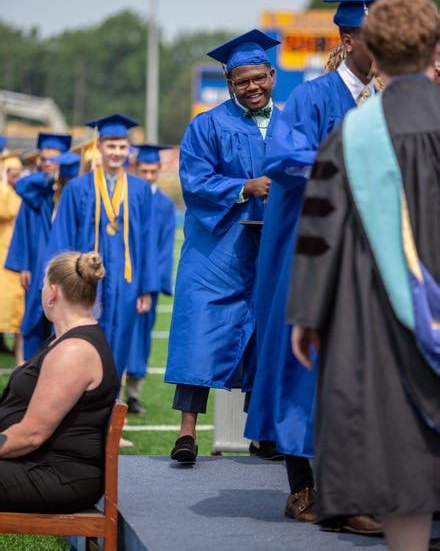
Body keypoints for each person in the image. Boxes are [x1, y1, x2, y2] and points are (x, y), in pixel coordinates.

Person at [290, 0, 440, 551]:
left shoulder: (354, 134)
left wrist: (307, 313)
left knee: (401, 463)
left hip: (377, 319)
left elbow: (319, 227)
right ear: (433, 49)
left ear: (371, 48)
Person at [245, 0, 383, 535]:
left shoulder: (388, 99)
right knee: (302, 367)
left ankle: (355, 487)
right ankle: (303, 489)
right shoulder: (311, 96)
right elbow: (283, 158)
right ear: (349, 42)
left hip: (370, 259)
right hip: (312, 256)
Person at [165, 29, 281, 463]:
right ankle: (187, 433)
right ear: (230, 83)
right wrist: (245, 186)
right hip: (217, 248)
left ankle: (262, 434)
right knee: (198, 331)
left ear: (272, 74)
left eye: (258, 78)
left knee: (265, 333)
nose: (251, 87)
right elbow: (195, 182)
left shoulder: (290, 123)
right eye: (241, 82)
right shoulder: (208, 124)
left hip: (270, 249)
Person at [0, 250, 119, 512]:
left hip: (58, 475)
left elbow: (31, 435)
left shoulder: (73, 351)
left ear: (52, 292)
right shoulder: (65, 340)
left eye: (43, 285)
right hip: (38, 464)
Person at [45, 114, 159, 379]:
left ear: (128, 150)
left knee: (118, 343)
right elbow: (62, 236)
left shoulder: (140, 190)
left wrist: (146, 288)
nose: (117, 153)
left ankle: (109, 409)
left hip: (125, 281)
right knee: (79, 339)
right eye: (111, 146)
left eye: (122, 147)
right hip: (82, 280)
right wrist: (60, 281)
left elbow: (148, 240)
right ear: (99, 146)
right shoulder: (77, 188)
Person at [5, 132, 72, 360]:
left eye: (55, 158)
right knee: (33, 317)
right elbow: (22, 228)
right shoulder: (35, 193)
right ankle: (27, 367)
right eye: (45, 158)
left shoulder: (71, 192)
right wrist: (23, 265)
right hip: (36, 263)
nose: (50, 163)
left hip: (63, 267)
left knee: (61, 320)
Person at [125, 143, 176, 415]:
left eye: (152, 171)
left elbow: (164, 248)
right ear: (135, 168)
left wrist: (150, 284)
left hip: (148, 283)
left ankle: (133, 394)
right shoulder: (126, 197)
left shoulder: (165, 205)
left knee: (141, 338)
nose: (147, 176)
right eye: (143, 170)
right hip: (121, 281)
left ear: (158, 170)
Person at [0, 152, 24, 363]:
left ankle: (19, 354)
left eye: (18, 175)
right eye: (11, 175)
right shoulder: (5, 194)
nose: (15, 179)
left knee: (18, 310)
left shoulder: (20, 194)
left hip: (15, 258)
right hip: (2, 257)